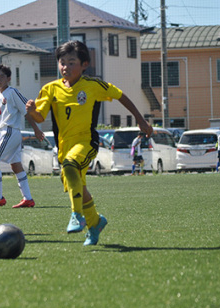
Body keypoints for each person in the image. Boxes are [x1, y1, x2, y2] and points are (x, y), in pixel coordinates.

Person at [26, 40, 153, 246]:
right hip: (64, 146)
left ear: (84, 64)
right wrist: (32, 110)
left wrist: (140, 119)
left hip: (87, 142)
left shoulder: (93, 86)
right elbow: (40, 117)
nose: (65, 67)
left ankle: (77, 215)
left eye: (71, 62)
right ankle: (95, 223)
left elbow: (120, 95)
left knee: (70, 165)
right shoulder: (50, 89)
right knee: (79, 187)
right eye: (62, 62)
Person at [0, 64, 44, 208]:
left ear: (8, 78)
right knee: (16, 165)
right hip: (6, 132)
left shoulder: (12, 92)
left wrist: (36, 130)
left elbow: (26, 110)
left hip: (10, 131)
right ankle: (28, 199)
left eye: (2, 76)